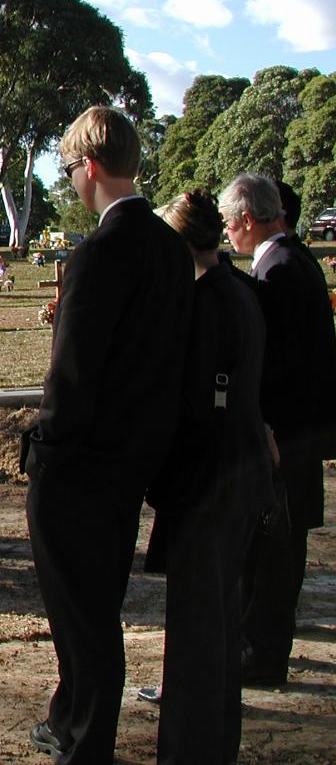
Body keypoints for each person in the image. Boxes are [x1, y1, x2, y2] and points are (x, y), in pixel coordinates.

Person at [23, 106, 193, 765]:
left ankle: (85, 739)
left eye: (69, 170)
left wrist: (47, 451)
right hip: (136, 456)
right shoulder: (171, 250)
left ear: (88, 166)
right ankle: (69, 717)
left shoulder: (100, 253)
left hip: (83, 461)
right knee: (95, 600)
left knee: (81, 610)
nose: (71, 181)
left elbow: (73, 371)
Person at [146, 190, 273, 764]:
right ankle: (215, 742)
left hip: (209, 484)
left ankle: (189, 750)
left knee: (197, 629)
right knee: (218, 623)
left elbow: (195, 403)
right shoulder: (239, 291)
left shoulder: (205, 302)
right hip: (240, 475)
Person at [219, 173, 335, 687]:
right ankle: (264, 649)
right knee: (278, 558)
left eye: (228, 224)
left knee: (272, 558)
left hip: (285, 439)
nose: (227, 233)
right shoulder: (295, 259)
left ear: (246, 219)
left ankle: (261, 657)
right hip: (299, 436)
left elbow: (281, 363)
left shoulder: (281, 268)